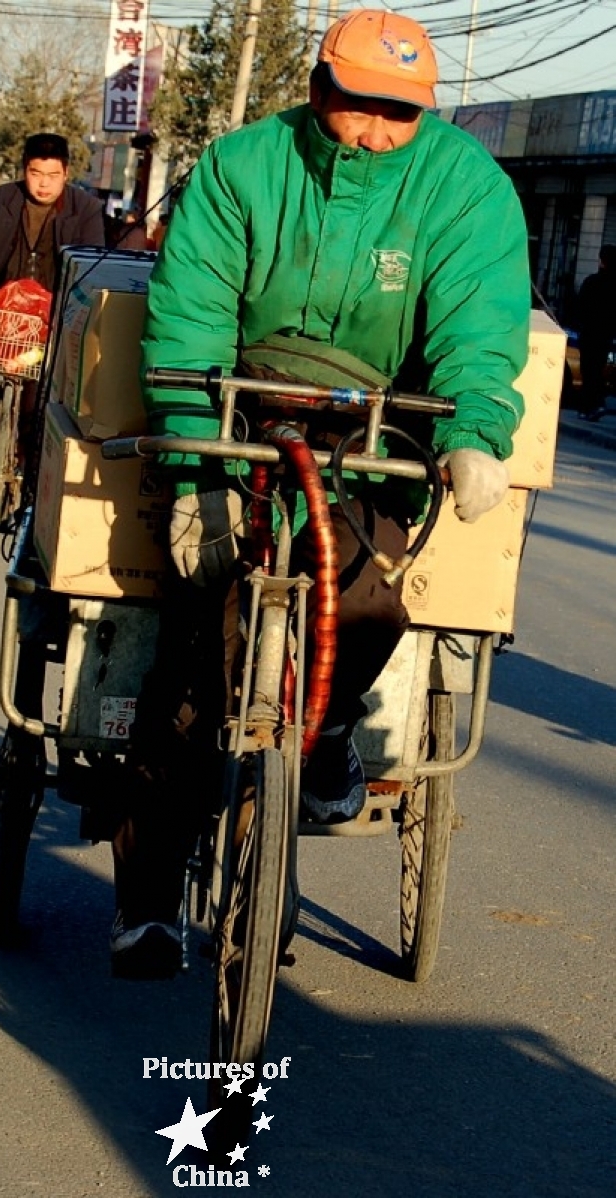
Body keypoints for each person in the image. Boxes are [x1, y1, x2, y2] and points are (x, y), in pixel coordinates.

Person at [109, 8, 531, 980]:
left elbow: (479, 319)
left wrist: (471, 435)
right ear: (316, 90)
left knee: (373, 590)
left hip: (379, 423)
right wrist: (191, 463)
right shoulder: (240, 167)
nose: (380, 126)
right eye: (362, 105)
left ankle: (330, 727)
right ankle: (145, 901)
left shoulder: (463, 187)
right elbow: (190, 313)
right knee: (188, 652)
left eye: (401, 111)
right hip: (239, 404)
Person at [0, 132, 105, 438]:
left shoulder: (85, 208)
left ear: (66, 173)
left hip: (53, 312)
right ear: (24, 170)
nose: (44, 184)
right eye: (36, 174)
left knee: (42, 398)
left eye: (53, 175)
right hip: (2, 306)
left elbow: (93, 262)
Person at [575, 244, 616, 421]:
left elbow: (580, 307)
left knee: (588, 370)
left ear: (601, 261)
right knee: (598, 370)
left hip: (589, 334)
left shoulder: (592, 282)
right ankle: (595, 405)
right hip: (605, 336)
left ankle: (589, 407)